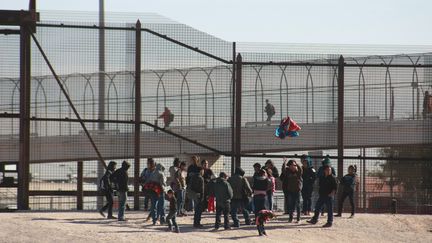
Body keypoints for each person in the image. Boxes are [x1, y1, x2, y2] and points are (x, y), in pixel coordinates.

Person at [141, 158, 166, 225]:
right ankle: (162, 220)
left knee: (153, 205)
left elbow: (146, 180)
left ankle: (154, 220)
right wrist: (164, 190)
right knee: (161, 205)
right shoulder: (161, 173)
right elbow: (162, 183)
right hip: (159, 190)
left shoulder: (151, 172)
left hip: (151, 190)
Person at [280, 159, 303, 223]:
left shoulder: (298, 173)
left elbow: (300, 169)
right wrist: (284, 163)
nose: (293, 167)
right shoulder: (288, 172)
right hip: (290, 191)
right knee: (291, 205)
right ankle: (291, 218)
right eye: (291, 165)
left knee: (298, 205)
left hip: (297, 191)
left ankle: (298, 219)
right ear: (289, 166)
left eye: (294, 166)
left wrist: (296, 164)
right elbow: (283, 170)